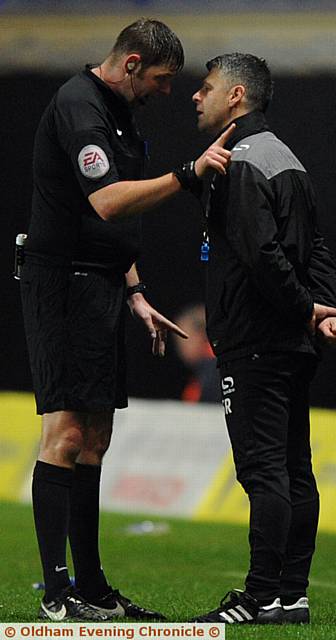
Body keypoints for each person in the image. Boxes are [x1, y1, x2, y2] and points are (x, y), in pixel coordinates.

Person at [20, 19, 234, 622]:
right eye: (163, 80)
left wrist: (135, 290)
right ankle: (58, 596)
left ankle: (91, 587)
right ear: (133, 63)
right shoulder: (79, 106)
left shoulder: (118, 113)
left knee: (96, 441)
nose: (169, 92)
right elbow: (108, 201)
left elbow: (114, 225)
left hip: (104, 286)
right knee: (64, 437)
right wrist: (188, 175)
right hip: (64, 285)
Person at [188, 52, 336, 625]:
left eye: (205, 88)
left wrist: (305, 310)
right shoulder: (287, 157)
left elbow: (260, 254)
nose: (195, 97)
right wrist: (325, 311)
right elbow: (316, 249)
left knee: (263, 471)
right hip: (291, 343)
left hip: (256, 339)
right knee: (293, 468)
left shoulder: (243, 160)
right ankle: (293, 594)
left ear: (236, 96)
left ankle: (260, 596)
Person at [174, 303, 220, 403]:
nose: (181, 348)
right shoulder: (205, 368)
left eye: (183, 340)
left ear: (200, 335)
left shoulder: (213, 366)